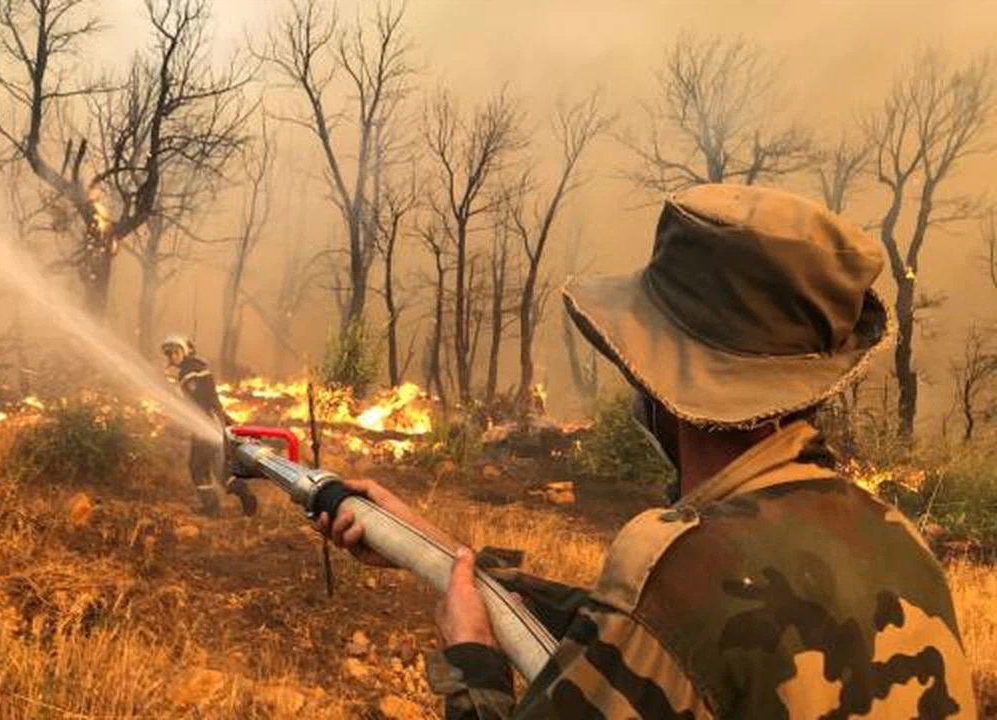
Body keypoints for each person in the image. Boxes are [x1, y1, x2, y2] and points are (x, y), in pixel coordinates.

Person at [317, 185, 976, 718]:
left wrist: (473, 662)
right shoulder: (901, 546)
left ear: (664, 386)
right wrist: (435, 550)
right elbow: (644, 633)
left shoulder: (673, 563)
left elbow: (666, 619)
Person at [162, 334, 257, 517]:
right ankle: (245, 495)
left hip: (204, 425)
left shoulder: (189, 372)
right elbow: (212, 400)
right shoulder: (199, 367)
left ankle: (212, 508)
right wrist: (225, 420)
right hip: (212, 423)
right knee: (219, 470)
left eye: (175, 352)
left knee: (197, 466)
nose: (172, 357)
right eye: (169, 354)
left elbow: (199, 400)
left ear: (185, 351)